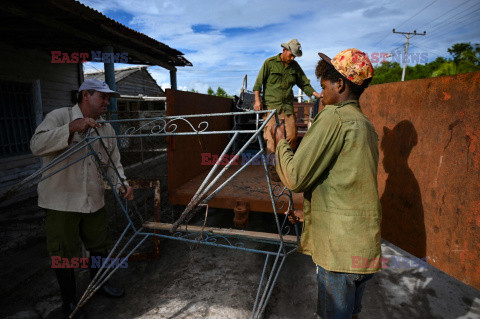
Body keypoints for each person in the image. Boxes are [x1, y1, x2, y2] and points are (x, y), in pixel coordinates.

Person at [273, 48, 381, 318]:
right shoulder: (366, 125)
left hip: (339, 253)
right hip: (362, 247)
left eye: (324, 86)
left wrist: (279, 144)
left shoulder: (334, 117)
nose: (321, 94)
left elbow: (296, 177)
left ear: (340, 84)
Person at [30, 79, 133, 318]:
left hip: (93, 199)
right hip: (60, 201)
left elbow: (113, 163)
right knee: (63, 254)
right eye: (103, 97)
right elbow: (36, 145)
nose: (108, 102)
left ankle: (99, 285)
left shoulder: (105, 127)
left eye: (109, 98)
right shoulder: (59, 116)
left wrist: (122, 184)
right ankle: (68, 300)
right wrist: (71, 128)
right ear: (85, 95)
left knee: (99, 246)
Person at [253, 39, 321, 181]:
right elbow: (258, 83)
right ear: (285, 50)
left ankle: (285, 167)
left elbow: (304, 83)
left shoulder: (295, 67)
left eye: (294, 56)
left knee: (292, 137)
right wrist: (257, 101)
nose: (292, 58)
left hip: (287, 107)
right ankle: (274, 172)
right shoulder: (269, 63)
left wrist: (316, 94)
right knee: (271, 140)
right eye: (291, 55)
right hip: (271, 107)